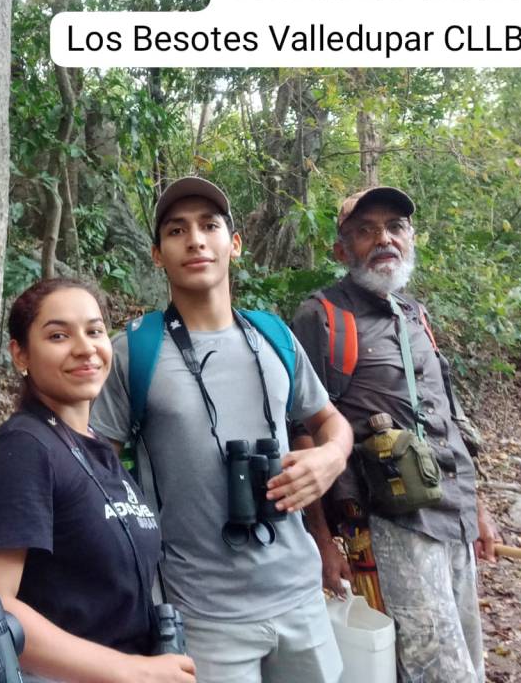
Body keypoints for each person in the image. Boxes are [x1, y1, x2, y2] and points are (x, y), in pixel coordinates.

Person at [90, 177, 352, 683]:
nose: (195, 240)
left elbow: (330, 421)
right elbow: (95, 466)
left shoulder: (273, 336)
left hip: (299, 595)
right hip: (200, 609)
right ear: (157, 254)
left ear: (234, 244)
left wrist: (331, 458)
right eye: (176, 230)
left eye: (210, 226)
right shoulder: (133, 351)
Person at [291, 186, 501, 683]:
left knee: (470, 658)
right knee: (430, 670)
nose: (383, 238)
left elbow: (447, 415)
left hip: (452, 516)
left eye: (395, 227)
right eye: (365, 231)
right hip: (388, 524)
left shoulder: (414, 315)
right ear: (342, 250)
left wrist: (478, 507)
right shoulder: (321, 317)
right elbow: (299, 431)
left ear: (410, 238)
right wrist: (321, 542)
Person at [0, 278, 196, 683]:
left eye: (94, 331)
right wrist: (130, 669)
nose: (85, 347)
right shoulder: (23, 448)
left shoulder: (96, 447)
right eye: (58, 335)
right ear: (20, 354)